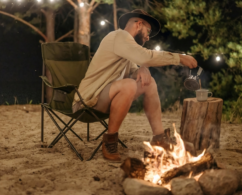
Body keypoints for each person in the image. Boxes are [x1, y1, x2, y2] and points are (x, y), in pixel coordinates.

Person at [72, 9, 198, 162]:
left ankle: (159, 138)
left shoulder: (125, 46)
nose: (147, 37)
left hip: (104, 98)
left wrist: (143, 69)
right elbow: (144, 56)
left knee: (148, 82)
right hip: (88, 100)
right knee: (129, 86)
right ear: (139, 24)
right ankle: (110, 141)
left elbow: (134, 69)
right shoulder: (119, 36)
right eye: (148, 31)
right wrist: (179, 58)